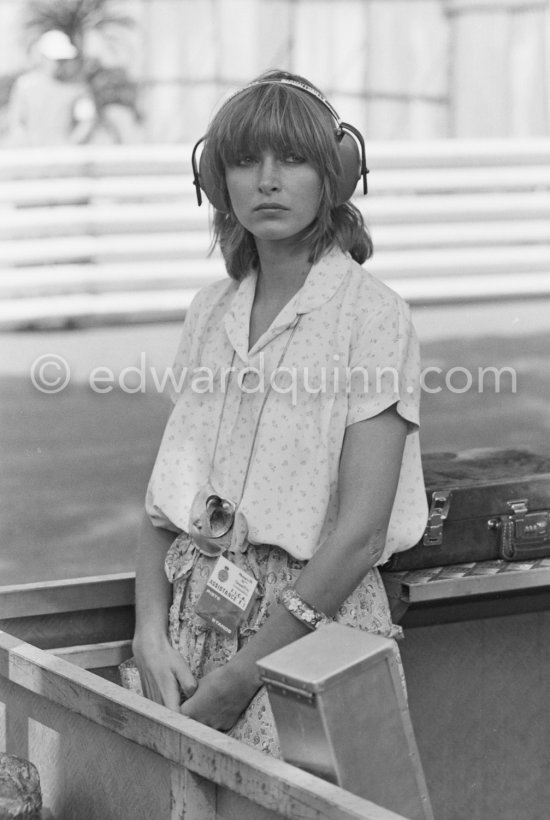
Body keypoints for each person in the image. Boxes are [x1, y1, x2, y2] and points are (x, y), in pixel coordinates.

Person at [127, 69, 428, 757]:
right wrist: (149, 632)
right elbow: (162, 501)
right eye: (244, 160)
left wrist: (244, 675)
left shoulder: (373, 315)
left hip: (315, 636)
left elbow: (358, 533)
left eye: (291, 158)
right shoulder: (211, 311)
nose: (266, 179)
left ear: (335, 176)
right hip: (190, 624)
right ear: (216, 179)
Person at [6, 30, 96, 146]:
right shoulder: (24, 85)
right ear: (42, 57)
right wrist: (27, 147)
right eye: (56, 59)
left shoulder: (78, 88)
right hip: (31, 158)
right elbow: (16, 123)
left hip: (65, 159)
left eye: (63, 60)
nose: (59, 64)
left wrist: (68, 146)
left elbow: (86, 123)